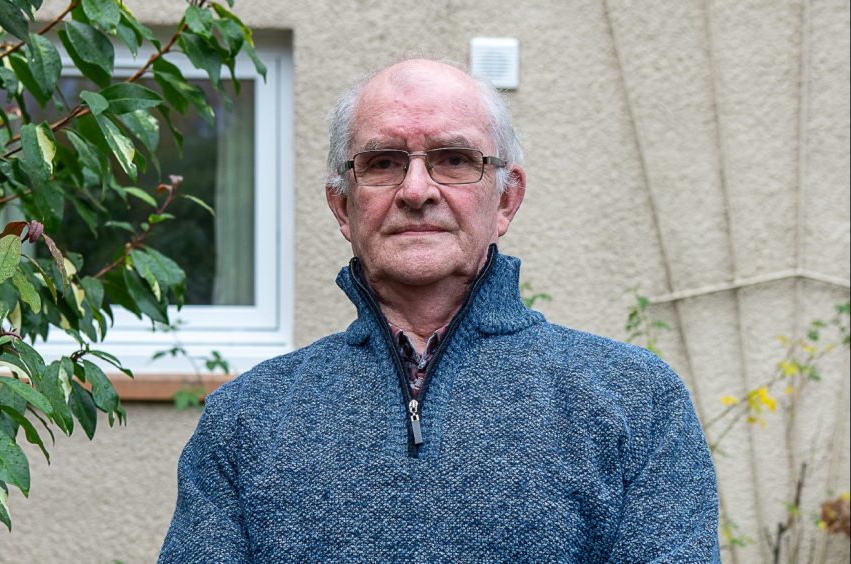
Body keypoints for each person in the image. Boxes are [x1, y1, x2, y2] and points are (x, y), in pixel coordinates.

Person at [159, 59, 721, 562]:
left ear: (506, 198)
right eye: (383, 162)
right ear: (341, 206)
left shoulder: (636, 400)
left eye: (454, 160)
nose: (416, 190)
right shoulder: (245, 419)